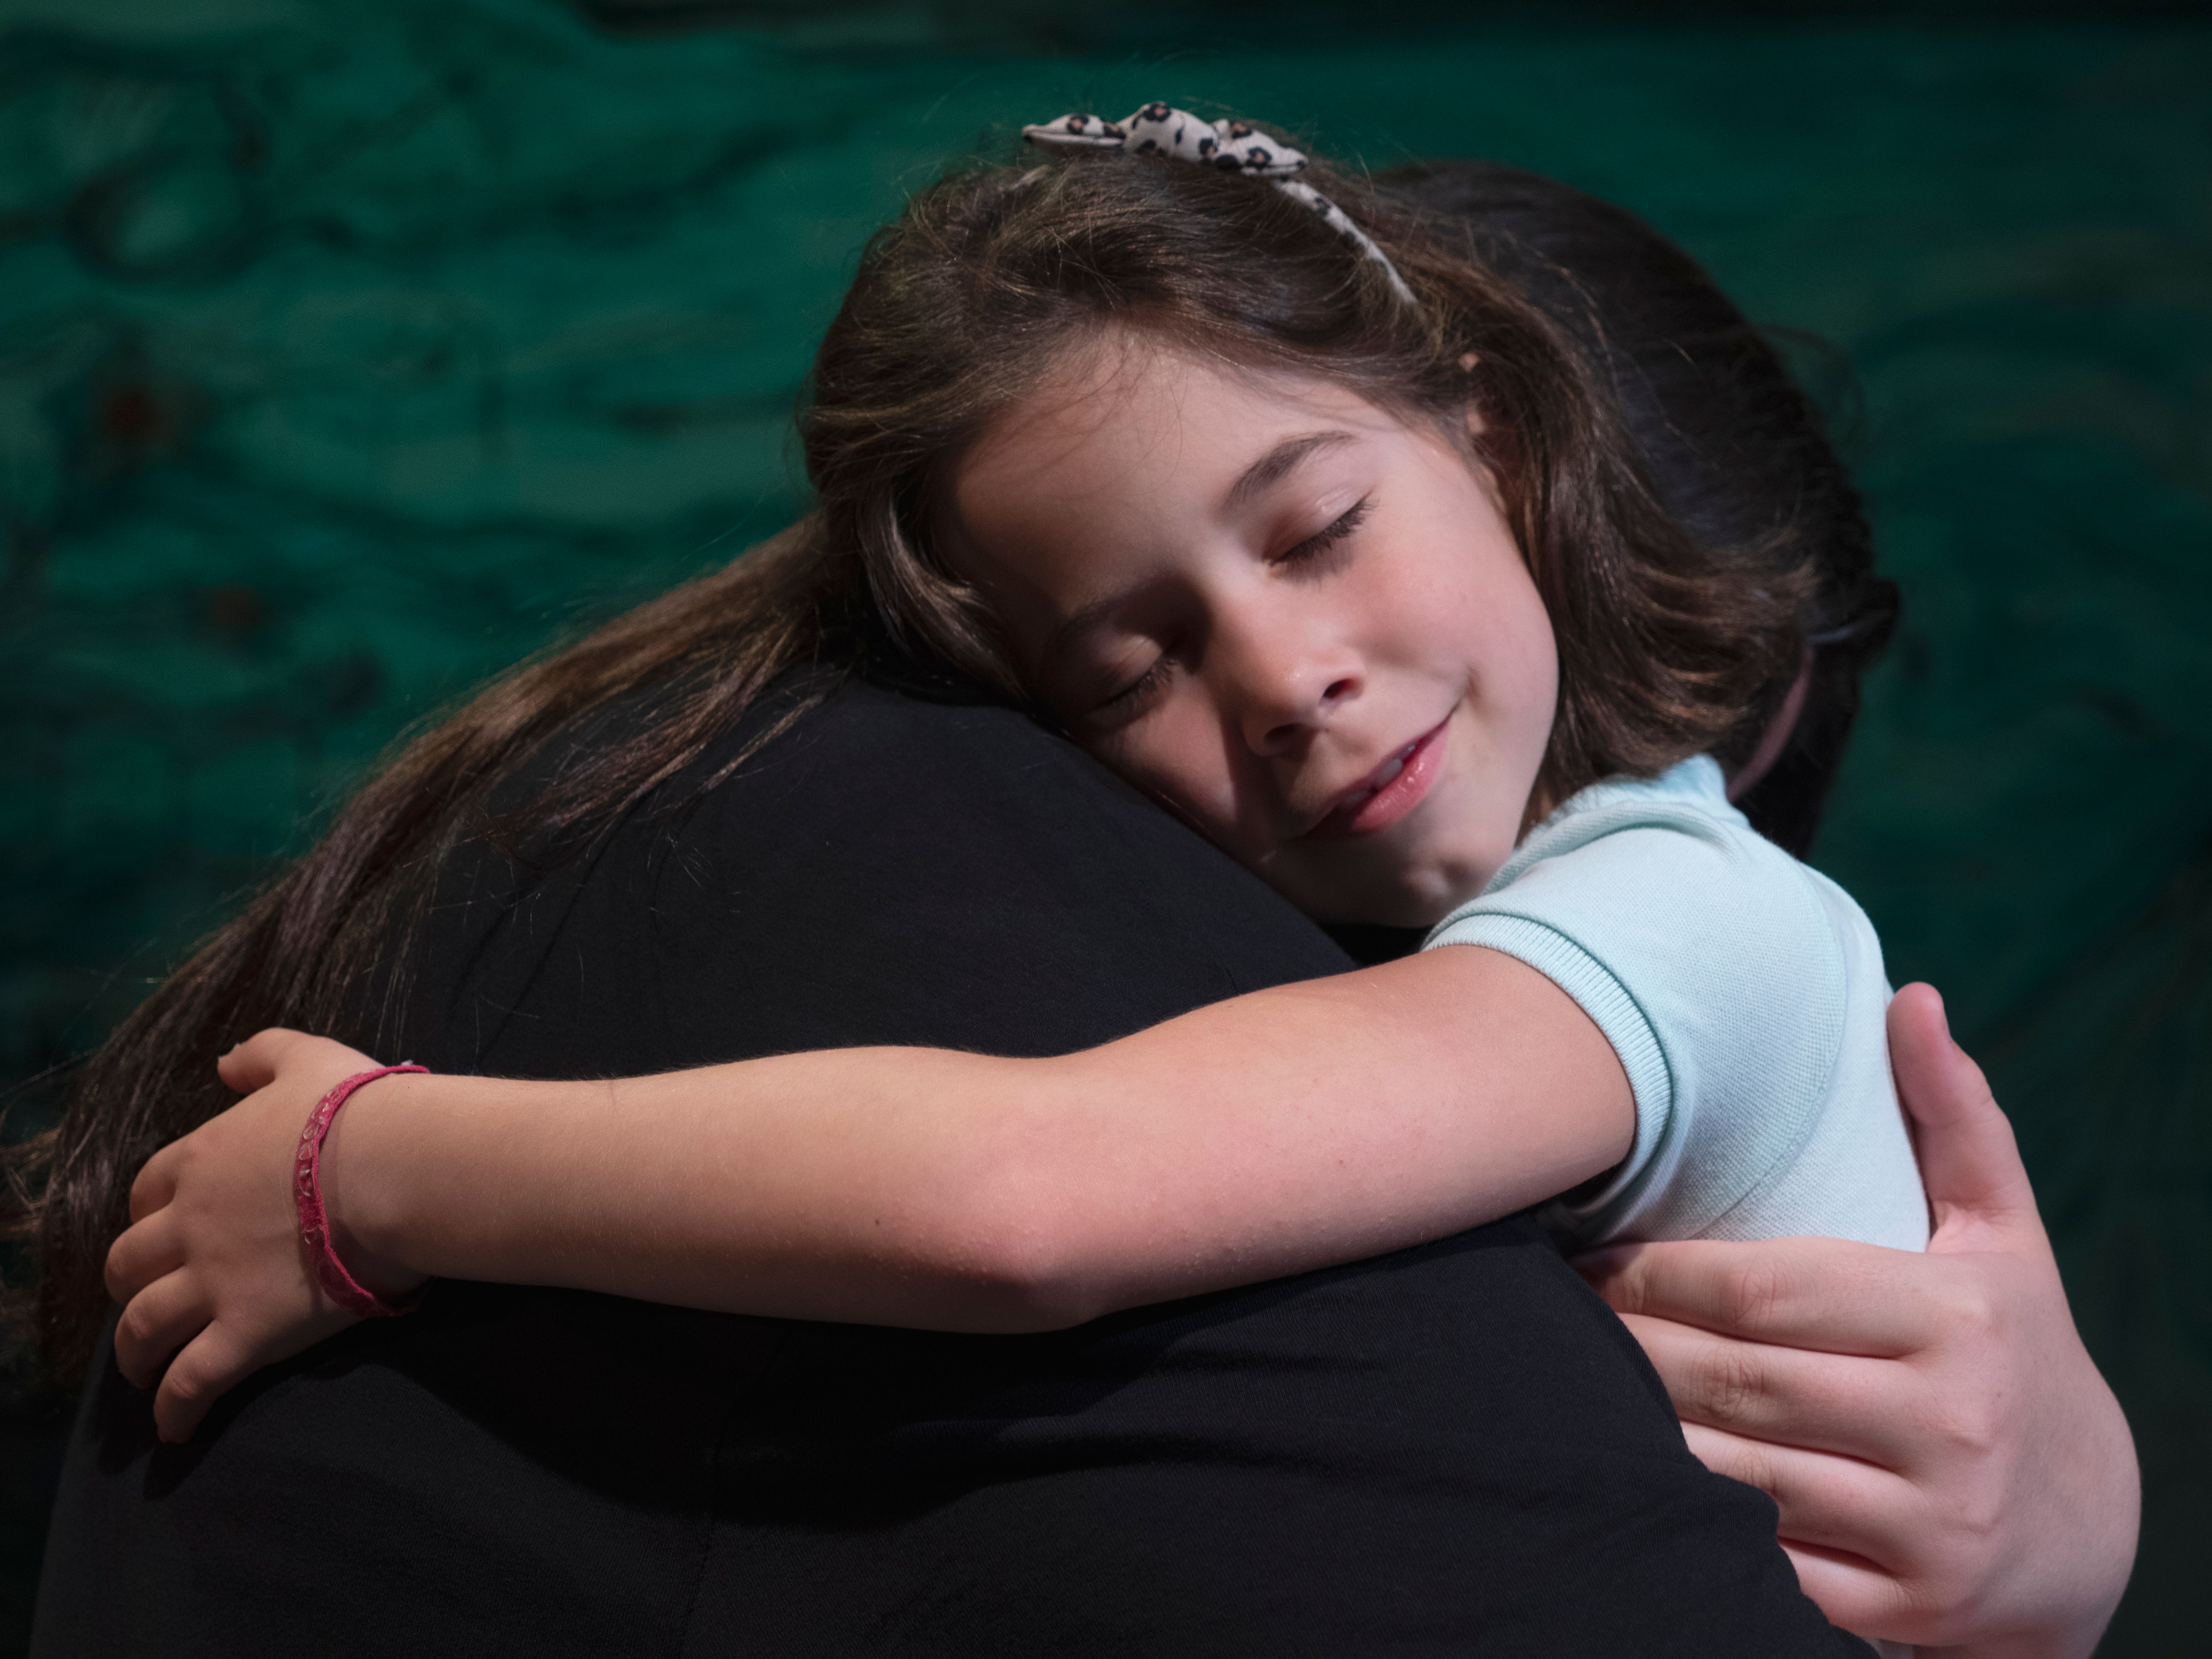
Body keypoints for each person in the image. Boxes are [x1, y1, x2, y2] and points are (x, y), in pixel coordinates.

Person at [18, 134, 2134, 1655]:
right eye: (1133, 668)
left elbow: (1026, 1197)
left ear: (1487, 434)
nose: (1282, 680)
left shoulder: (1691, 914)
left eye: (1316, 527)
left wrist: (380, 1175)